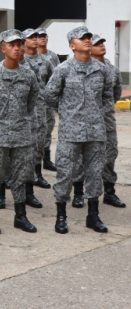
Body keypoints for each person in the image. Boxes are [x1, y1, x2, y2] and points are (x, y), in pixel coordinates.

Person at [44, 26, 113, 234]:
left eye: (88, 38)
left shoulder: (101, 69)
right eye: (82, 38)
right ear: (72, 46)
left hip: (95, 132)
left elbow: (108, 94)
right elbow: (49, 96)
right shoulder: (63, 69)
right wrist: (67, 112)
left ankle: (93, 216)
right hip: (70, 132)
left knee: (95, 173)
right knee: (65, 173)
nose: (87, 40)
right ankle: (61, 216)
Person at [0, 30, 40, 235]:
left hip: (22, 135)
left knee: (21, 177)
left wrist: (21, 122)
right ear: (3, 48)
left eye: (19, 44)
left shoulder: (29, 75)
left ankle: (20, 217)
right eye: (12, 44)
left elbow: (31, 104)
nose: (17, 48)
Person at [88, 34, 125, 208]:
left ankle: (109, 192)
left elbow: (116, 94)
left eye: (103, 42)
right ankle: (81, 193)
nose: (102, 45)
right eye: (97, 44)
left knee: (110, 156)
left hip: (107, 121)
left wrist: (106, 108)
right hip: (87, 122)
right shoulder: (86, 68)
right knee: (84, 159)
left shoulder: (113, 69)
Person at [22, 29, 54, 202]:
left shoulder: (46, 61)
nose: (35, 40)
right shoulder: (19, 60)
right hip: (24, 111)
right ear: (23, 41)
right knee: (23, 146)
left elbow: (52, 84)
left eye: (37, 37)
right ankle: (22, 179)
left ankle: (38, 174)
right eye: (31, 37)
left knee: (39, 144)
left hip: (41, 109)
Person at [36, 28, 59, 172]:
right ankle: (35, 161)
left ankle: (47, 159)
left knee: (48, 128)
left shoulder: (52, 56)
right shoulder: (31, 56)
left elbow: (56, 77)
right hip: (36, 101)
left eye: (44, 36)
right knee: (36, 130)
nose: (42, 38)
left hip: (48, 100)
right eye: (39, 36)